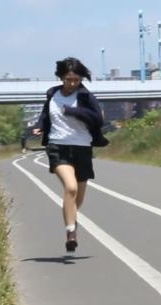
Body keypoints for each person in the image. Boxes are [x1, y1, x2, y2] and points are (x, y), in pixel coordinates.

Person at [32, 57, 109, 252]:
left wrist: (74, 111)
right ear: (61, 77)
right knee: (71, 188)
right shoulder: (52, 94)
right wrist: (40, 126)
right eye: (69, 79)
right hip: (58, 147)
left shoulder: (85, 96)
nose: (73, 83)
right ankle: (71, 232)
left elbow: (98, 119)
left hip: (82, 148)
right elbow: (45, 114)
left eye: (76, 79)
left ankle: (71, 219)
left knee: (78, 198)